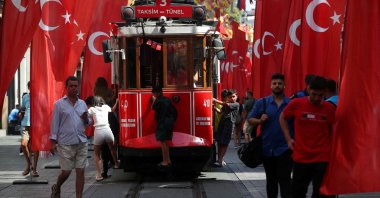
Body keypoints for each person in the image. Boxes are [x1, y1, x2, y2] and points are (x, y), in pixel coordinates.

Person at [279, 75, 336, 198]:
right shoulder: (297, 103)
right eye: (314, 94)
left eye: (320, 95)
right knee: (297, 193)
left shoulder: (329, 108)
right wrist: (288, 139)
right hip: (301, 157)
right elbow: (282, 117)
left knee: (322, 194)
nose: (317, 98)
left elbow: (333, 129)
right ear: (308, 89)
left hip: (322, 158)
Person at [247, 73, 292, 198]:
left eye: (279, 83)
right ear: (270, 85)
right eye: (274, 83)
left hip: (285, 149)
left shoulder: (291, 104)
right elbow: (250, 119)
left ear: (284, 85)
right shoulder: (263, 103)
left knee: (285, 182)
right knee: (271, 181)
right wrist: (259, 121)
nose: (277, 86)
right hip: (268, 149)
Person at [50, 76, 92, 198]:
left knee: (80, 171)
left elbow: (88, 123)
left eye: (75, 86)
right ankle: (57, 187)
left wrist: (86, 118)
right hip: (65, 143)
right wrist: (53, 142)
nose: (74, 88)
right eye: (71, 86)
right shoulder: (59, 104)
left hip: (81, 141)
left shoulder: (82, 103)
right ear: (66, 87)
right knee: (66, 171)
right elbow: (55, 123)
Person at [88, 96, 119, 181]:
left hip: (98, 131)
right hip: (107, 130)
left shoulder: (92, 109)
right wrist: (116, 102)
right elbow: (113, 110)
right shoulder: (106, 107)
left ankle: (99, 175)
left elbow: (84, 114)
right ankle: (116, 163)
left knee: (97, 155)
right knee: (112, 148)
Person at [93, 77, 119, 178]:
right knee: (111, 144)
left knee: (103, 148)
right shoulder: (108, 91)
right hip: (110, 119)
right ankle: (114, 162)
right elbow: (111, 103)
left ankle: (105, 170)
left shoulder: (95, 93)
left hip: (100, 120)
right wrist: (115, 94)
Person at [212, 89, 239, 167]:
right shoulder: (227, 103)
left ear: (236, 96)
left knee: (224, 143)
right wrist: (214, 108)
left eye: (233, 96)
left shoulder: (236, 104)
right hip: (222, 123)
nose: (232, 98)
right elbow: (220, 112)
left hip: (229, 125)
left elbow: (226, 105)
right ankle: (220, 159)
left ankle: (220, 160)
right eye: (230, 97)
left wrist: (215, 100)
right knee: (220, 142)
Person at [151, 86, 176, 167]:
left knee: (163, 142)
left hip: (163, 123)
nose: (153, 95)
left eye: (154, 94)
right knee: (166, 142)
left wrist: (154, 100)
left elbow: (153, 108)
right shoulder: (167, 99)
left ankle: (165, 161)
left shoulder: (158, 101)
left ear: (157, 93)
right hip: (169, 123)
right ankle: (168, 160)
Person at [20, 81, 40, 177]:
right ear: (28, 88)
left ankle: (34, 169)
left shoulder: (40, 96)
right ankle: (29, 164)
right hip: (25, 123)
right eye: (31, 87)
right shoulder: (25, 97)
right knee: (24, 144)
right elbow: (22, 109)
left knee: (35, 146)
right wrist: (21, 113)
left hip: (36, 124)